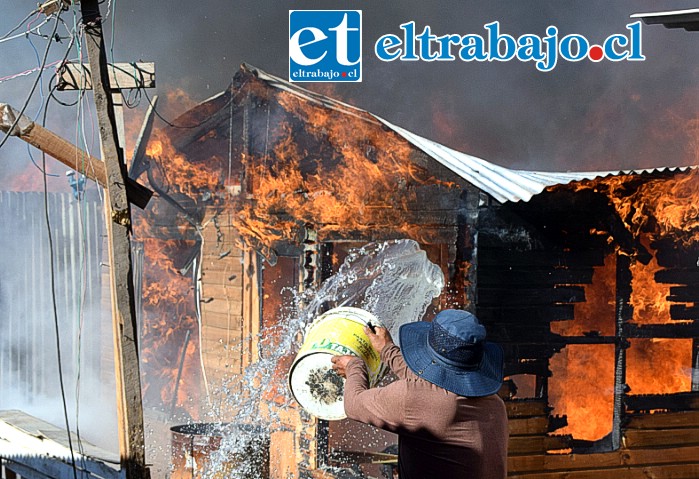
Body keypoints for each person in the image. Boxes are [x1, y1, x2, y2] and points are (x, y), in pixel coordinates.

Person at [331, 309, 508, 479]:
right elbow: (431, 388)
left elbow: (353, 404)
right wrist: (388, 351)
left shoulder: (414, 399)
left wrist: (354, 366)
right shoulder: (494, 404)